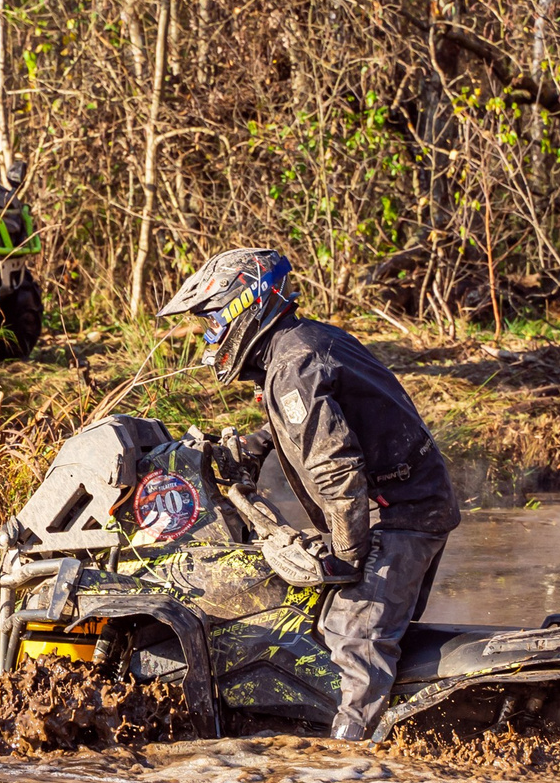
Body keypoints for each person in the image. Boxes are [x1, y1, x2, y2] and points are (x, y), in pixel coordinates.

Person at [158, 247, 460, 741]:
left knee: (351, 638)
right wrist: (256, 446)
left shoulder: (292, 364)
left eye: (211, 322)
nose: (210, 337)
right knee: (360, 631)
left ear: (242, 303)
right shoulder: (306, 341)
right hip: (416, 500)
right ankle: (408, 732)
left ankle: (349, 765)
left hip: (397, 514)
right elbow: (325, 419)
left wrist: (346, 553)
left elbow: (337, 468)